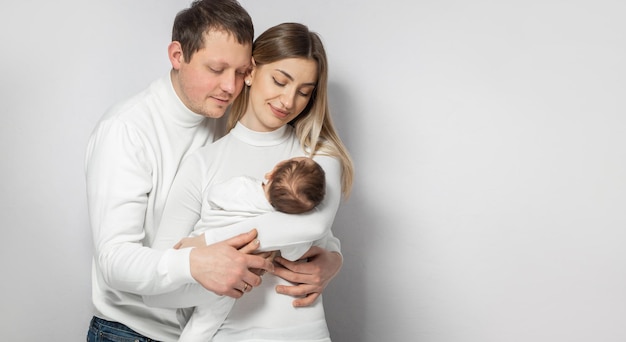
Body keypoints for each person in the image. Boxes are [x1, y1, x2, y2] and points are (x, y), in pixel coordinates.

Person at [84, 1, 343, 340]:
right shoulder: (127, 130)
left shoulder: (225, 114)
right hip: (132, 331)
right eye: (216, 69)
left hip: (193, 326)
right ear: (177, 56)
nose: (231, 87)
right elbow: (114, 259)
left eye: (239, 72)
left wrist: (333, 257)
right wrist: (197, 260)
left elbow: (296, 212)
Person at [144, 22, 354, 342]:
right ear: (252, 72)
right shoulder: (203, 163)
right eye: (280, 81)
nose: (288, 101)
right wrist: (217, 279)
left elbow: (311, 227)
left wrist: (207, 241)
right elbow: (157, 292)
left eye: (304, 92)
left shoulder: (317, 155)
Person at [155, 156, 327, 341]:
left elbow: (213, 195)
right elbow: (295, 254)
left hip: (194, 252)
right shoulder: (286, 228)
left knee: (187, 310)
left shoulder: (242, 185)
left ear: (272, 172)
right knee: (205, 322)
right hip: (227, 276)